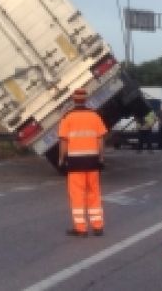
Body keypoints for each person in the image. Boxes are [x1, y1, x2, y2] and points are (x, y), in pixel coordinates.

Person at [58, 88, 108, 237]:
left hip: (75, 163)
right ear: (86, 99)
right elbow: (100, 139)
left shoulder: (67, 117)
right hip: (92, 161)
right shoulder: (95, 116)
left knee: (77, 195)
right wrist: (101, 157)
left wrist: (61, 159)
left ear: (73, 100)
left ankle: (81, 228)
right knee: (94, 193)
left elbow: (63, 141)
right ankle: (98, 226)